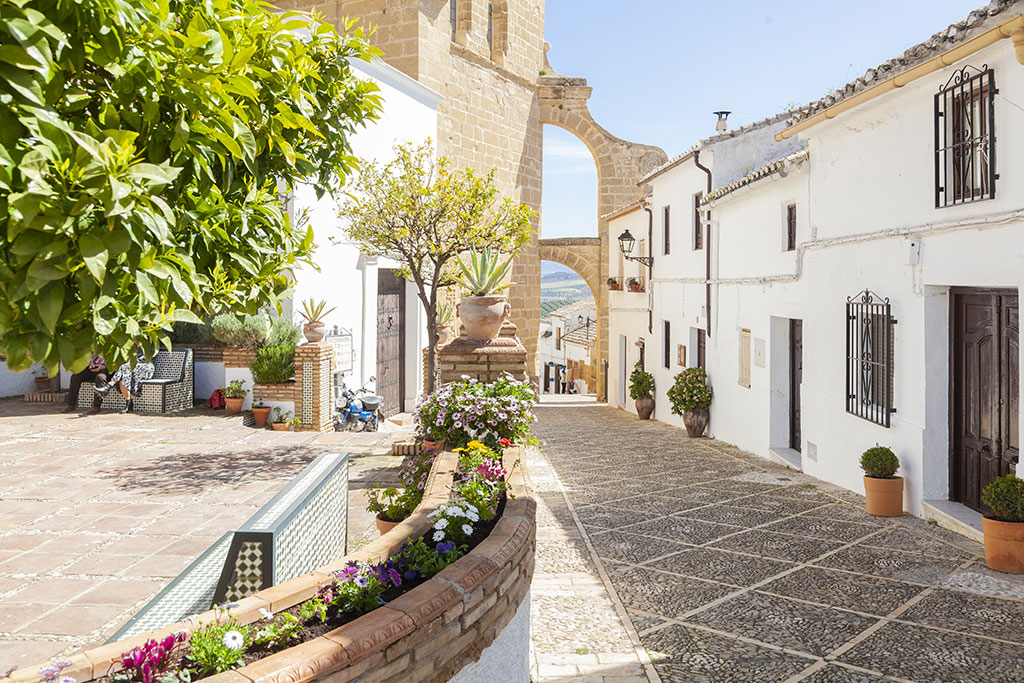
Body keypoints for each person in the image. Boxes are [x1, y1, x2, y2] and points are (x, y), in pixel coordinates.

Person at [94, 347, 154, 413]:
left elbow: (148, 357)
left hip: (145, 366)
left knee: (124, 368)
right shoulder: (129, 344)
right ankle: (128, 403)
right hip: (130, 367)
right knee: (124, 375)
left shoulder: (148, 343)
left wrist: (130, 361)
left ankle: (109, 386)